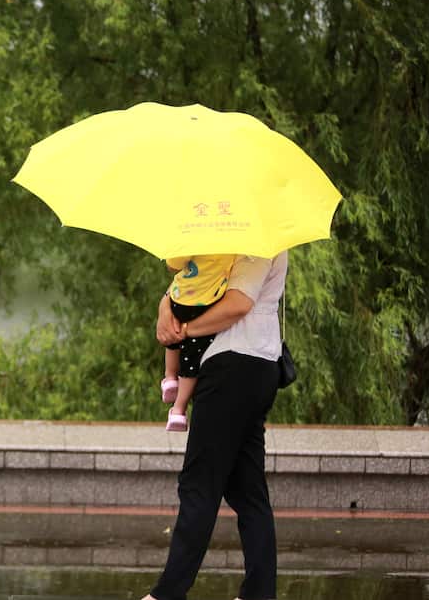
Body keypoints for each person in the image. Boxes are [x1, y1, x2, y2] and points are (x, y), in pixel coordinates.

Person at [142, 251, 288, 600]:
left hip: (236, 364)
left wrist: (183, 330)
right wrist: (167, 306)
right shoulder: (222, 233)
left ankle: (168, 593)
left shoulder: (258, 237)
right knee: (246, 488)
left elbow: (237, 303)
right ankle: (258, 592)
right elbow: (194, 283)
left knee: (199, 483)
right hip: (247, 364)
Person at [159, 254, 233, 432]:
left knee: (173, 337)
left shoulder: (192, 238)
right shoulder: (231, 247)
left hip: (179, 298)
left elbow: (173, 264)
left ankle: (169, 378)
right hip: (206, 305)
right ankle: (178, 409)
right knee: (192, 359)